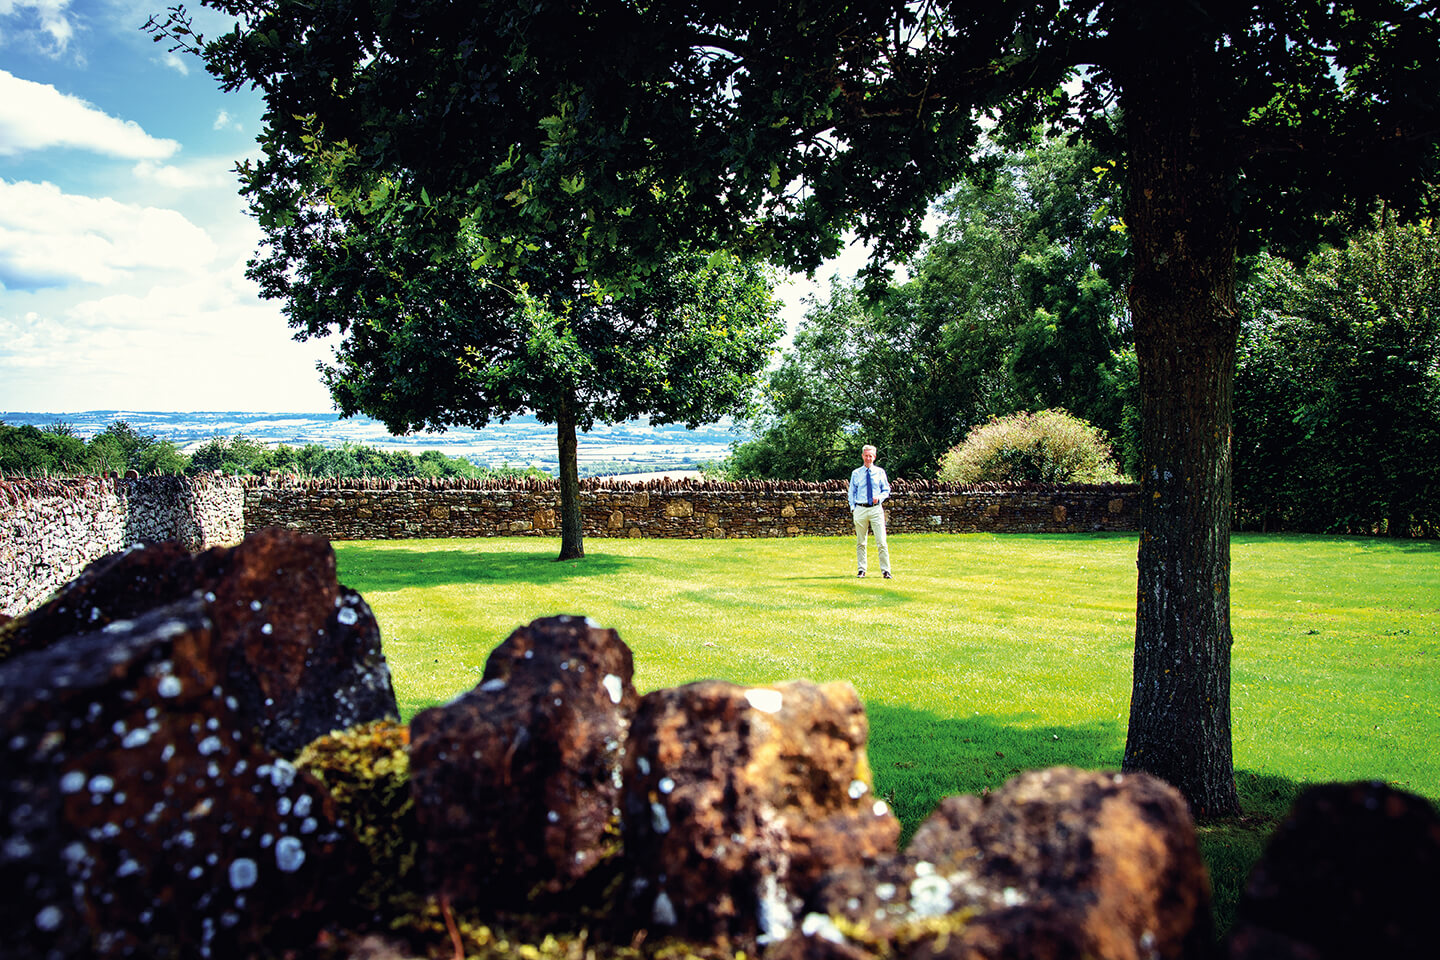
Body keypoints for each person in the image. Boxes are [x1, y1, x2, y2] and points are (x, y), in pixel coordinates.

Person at [848, 444, 892, 578]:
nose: (868, 458)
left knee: (881, 541)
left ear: (874, 457)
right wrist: (853, 508)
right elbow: (852, 492)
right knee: (861, 542)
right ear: (862, 456)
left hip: (875, 509)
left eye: (870, 456)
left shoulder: (880, 472)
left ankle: (886, 571)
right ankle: (861, 569)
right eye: (866, 456)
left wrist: (879, 498)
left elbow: (886, 490)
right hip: (860, 509)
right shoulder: (856, 473)